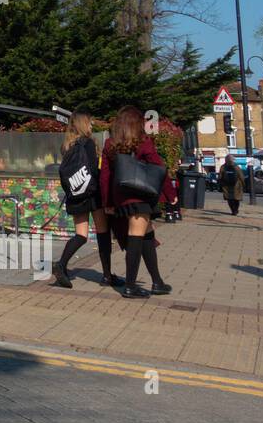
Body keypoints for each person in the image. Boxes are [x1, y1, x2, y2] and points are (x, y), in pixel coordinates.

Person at [99, 105, 174, 298]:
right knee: (136, 236)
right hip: (140, 195)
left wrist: (108, 202)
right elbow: (159, 168)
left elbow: (105, 176)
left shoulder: (110, 144)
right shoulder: (143, 142)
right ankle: (130, 286)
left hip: (121, 196)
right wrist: (171, 194)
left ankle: (157, 281)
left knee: (147, 235)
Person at [51, 110, 122, 289]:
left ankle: (61, 264)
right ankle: (107, 275)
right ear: (84, 123)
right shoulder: (88, 143)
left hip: (76, 194)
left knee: (81, 235)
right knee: (103, 233)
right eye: (90, 122)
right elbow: (92, 170)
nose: (92, 125)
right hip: (92, 193)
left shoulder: (67, 146)